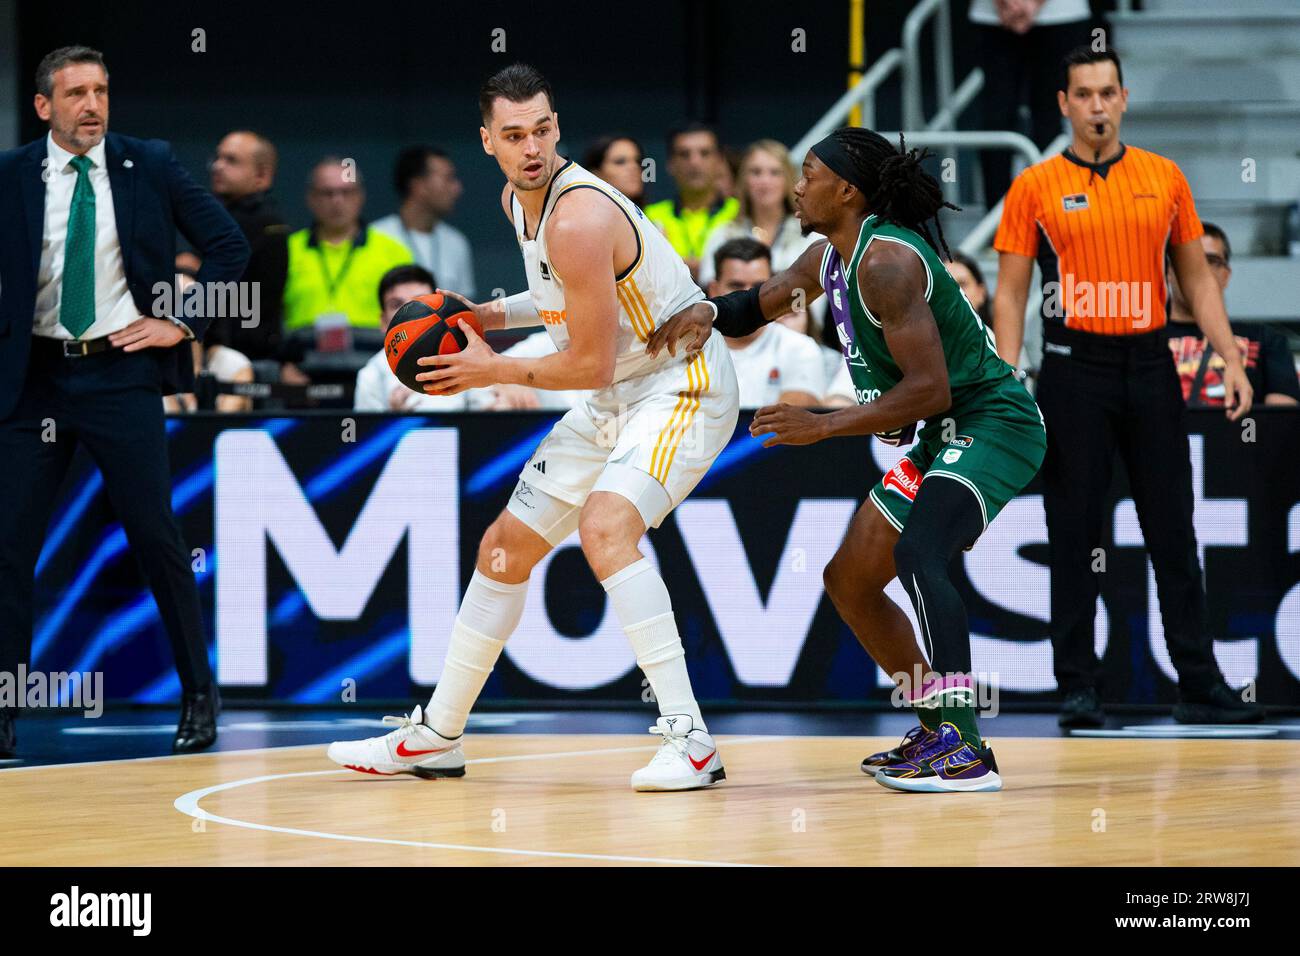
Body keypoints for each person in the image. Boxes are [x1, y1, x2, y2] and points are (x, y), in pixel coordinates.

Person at [327, 64, 740, 792]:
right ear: (487, 140)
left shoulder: (579, 213)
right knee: (502, 551)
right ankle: (436, 736)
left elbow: (584, 361)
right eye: (513, 134)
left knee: (607, 529)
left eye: (542, 130)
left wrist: (492, 369)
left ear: (557, 126)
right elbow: (561, 300)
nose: (532, 147)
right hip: (619, 387)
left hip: (680, 384)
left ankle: (692, 741)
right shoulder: (522, 203)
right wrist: (491, 316)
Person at [650, 127, 1047, 793]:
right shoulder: (823, 257)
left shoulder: (886, 263)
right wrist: (702, 314)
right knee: (849, 581)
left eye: (808, 173)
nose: (797, 186)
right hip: (940, 430)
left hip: (994, 421)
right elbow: (754, 306)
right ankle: (931, 721)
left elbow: (930, 389)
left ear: (847, 190)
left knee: (921, 553)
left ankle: (965, 746)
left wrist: (824, 425)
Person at [991, 46, 1262, 727]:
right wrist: (1005, 376)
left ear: (1125, 96)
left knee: (1173, 528)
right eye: (1083, 94)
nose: (1097, 106)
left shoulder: (1163, 177)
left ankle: (1198, 685)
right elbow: (1011, 291)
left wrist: (1228, 356)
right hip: (1072, 368)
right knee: (1074, 532)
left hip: (1149, 362)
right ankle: (1079, 688)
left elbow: (1196, 278)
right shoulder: (1034, 186)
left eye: (1107, 92)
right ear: (1063, 103)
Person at [0, 46, 249, 757]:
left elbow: (229, 249)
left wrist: (181, 319)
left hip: (120, 372)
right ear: (44, 105)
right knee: (10, 550)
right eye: (76, 92)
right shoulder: (12, 174)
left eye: (102, 90)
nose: (93, 105)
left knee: (158, 541)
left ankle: (200, 696)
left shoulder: (151, 162)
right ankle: (4, 707)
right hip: (34, 378)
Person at [969, 0, 1091, 206]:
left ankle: (1050, 217)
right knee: (997, 121)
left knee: (1050, 122)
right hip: (994, 15)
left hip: (1061, 15)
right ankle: (999, 223)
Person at [1167, 223, 1299, 408]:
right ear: (1169, 271)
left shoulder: (1267, 341)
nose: (1200, 270)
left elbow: (1280, 425)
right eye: (1189, 261)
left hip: (1242, 435)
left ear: (1226, 275)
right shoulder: (1142, 341)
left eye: (1212, 261)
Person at [282, 157, 412, 331]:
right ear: (311, 198)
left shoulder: (393, 252)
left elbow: (409, 318)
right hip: (300, 354)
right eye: (327, 193)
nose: (337, 200)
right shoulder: (287, 250)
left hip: (374, 353)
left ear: (360, 196)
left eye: (346, 192)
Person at [204, 129, 290, 361]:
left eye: (231, 160)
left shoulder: (265, 222)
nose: (217, 166)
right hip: (224, 345)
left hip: (251, 355)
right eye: (217, 158)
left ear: (262, 176)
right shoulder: (218, 213)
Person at [709, 238, 824, 408]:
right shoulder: (688, 349)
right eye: (736, 286)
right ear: (713, 290)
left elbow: (788, 421)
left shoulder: (799, 347)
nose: (746, 296)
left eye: (758, 287)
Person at [353, 265, 484, 412]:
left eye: (420, 301)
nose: (410, 313)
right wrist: (393, 420)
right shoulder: (371, 375)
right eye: (396, 304)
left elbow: (486, 421)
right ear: (383, 321)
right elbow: (369, 434)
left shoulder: (467, 353)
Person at [697, 140, 820, 287]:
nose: (764, 181)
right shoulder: (723, 234)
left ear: (788, 179)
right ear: (744, 180)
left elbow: (818, 296)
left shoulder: (810, 235)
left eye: (775, 172)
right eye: (756, 172)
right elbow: (709, 289)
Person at [372, 146, 476, 299]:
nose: (457, 188)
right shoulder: (375, 237)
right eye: (448, 178)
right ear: (418, 186)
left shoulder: (457, 243)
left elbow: (464, 307)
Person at [643, 122, 738, 281]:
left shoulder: (740, 213)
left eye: (705, 153)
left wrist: (676, 264)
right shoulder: (649, 217)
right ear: (670, 164)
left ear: (721, 161)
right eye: (684, 154)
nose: (694, 162)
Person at [582, 134, 646, 207]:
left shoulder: (652, 216)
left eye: (638, 161)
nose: (634, 167)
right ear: (595, 173)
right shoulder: (579, 216)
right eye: (620, 161)